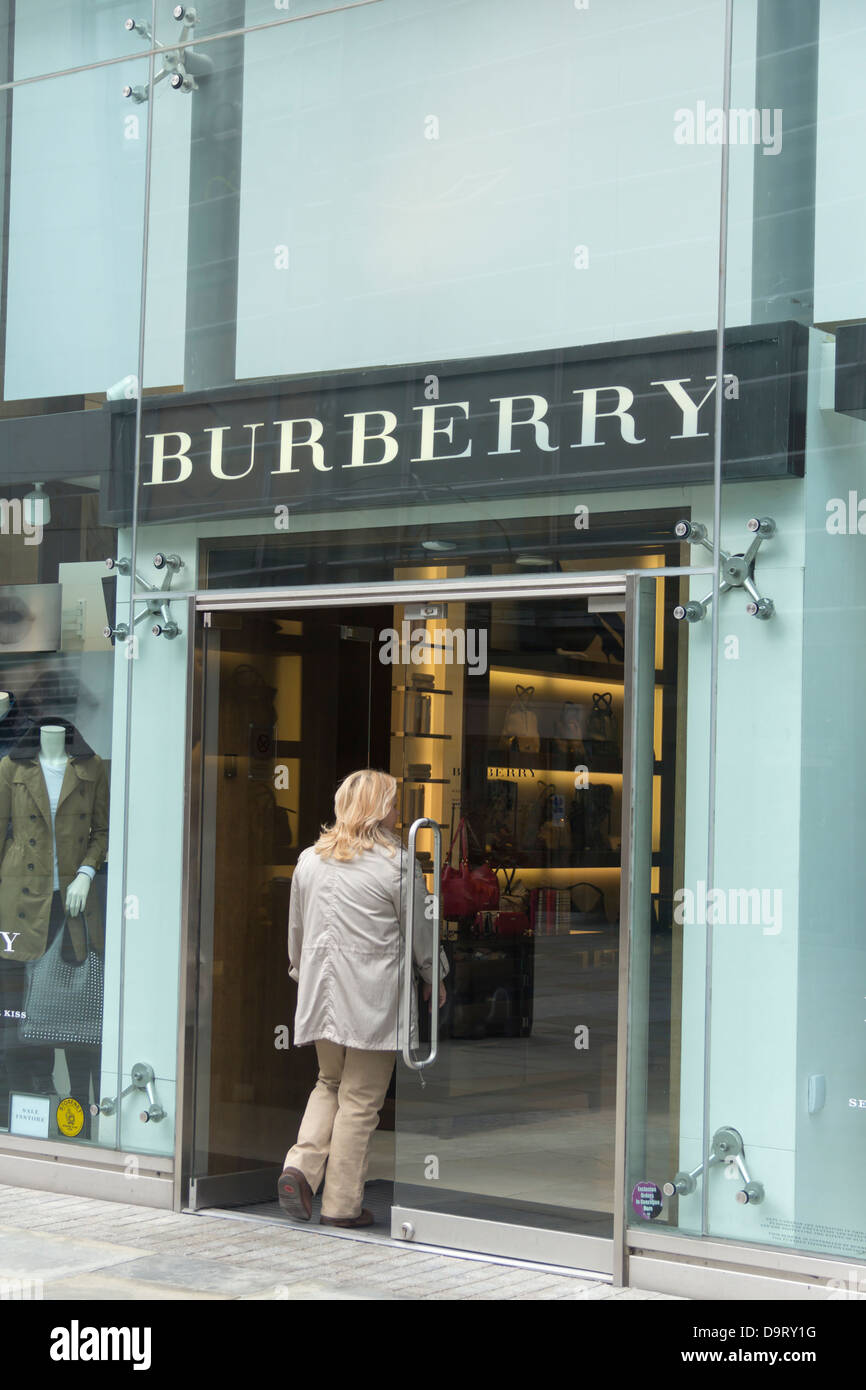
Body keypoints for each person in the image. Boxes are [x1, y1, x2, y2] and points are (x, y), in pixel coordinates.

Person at [278, 768, 447, 1227]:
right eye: (393, 803)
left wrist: (303, 973)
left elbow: (297, 934)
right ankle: (341, 1206)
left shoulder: (310, 860)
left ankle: (300, 1166)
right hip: (373, 999)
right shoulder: (396, 863)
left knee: (328, 1083)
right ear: (377, 809)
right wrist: (436, 974)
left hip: (321, 993)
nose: (399, 812)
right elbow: (420, 932)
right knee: (360, 1099)